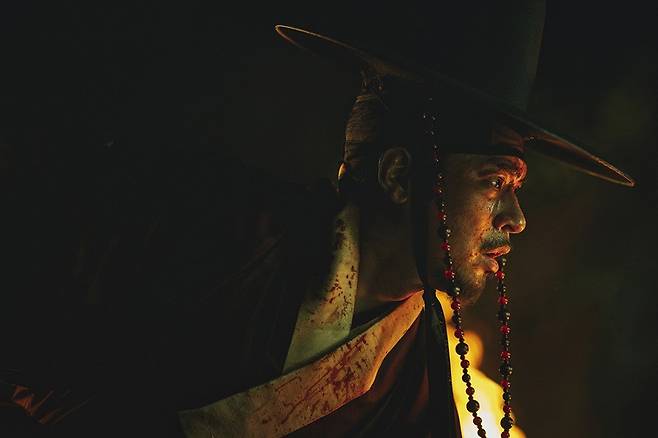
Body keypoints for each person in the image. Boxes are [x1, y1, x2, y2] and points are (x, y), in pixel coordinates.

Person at [1, 2, 635, 437]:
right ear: (398, 176)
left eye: (515, 189)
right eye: (494, 183)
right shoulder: (218, 228)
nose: (516, 218)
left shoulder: (416, 374)